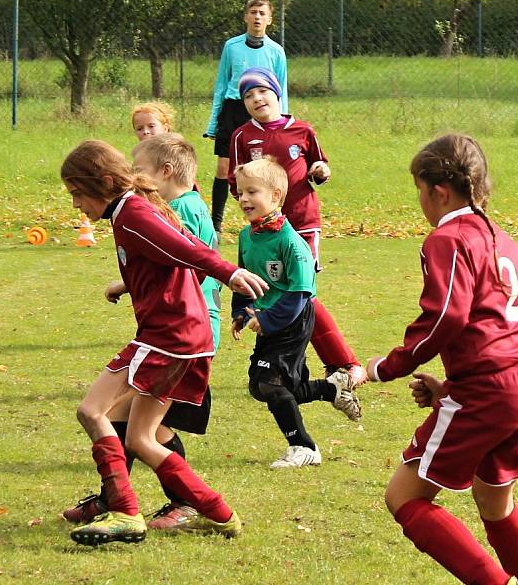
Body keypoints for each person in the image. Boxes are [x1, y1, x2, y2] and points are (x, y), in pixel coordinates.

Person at [61, 139, 268, 545]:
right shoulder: (133, 208)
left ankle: (124, 511)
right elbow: (166, 257)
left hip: (169, 337)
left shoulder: (132, 212)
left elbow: (183, 248)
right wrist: (129, 283)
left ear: (102, 183)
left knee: (92, 410)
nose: (75, 206)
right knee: (140, 437)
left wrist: (228, 272)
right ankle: (220, 513)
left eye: (76, 194)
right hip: (182, 336)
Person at [365, 134, 518, 585]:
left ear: (439, 191)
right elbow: (497, 325)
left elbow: (448, 315)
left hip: (490, 389)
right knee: (495, 503)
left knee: (404, 497)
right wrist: (453, 387)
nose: (422, 204)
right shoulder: (503, 238)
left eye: (420, 192)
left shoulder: (447, 238)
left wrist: (385, 366)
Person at [229, 67, 366, 385]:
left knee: (304, 294)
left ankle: (345, 364)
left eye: (261, 90)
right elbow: (237, 181)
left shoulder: (302, 130)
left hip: (301, 222)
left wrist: (321, 171)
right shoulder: (242, 136)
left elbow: (321, 166)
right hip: (266, 230)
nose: (255, 98)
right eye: (247, 95)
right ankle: (291, 363)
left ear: (276, 93)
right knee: (283, 293)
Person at [232, 157, 361, 469]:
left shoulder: (292, 242)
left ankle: (303, 447)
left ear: (276, 196)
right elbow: (243, 278)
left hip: (293, 318)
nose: (243, 199)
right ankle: (331, 388)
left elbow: (300, 294)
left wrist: (268, 319)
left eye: (252, 192)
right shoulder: (246, 236)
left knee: (270, 384)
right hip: (268, 319)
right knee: (262, 386)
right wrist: (241, 312)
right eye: (239, 193)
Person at [205, 0, 287, 234]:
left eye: (262, 13)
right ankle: (216, 227)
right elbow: (221, 84)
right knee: (224, 168)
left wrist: (280, 121)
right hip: (233, 109)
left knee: (262, 169)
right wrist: (213, 123)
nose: (257, 17)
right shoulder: (232, 46)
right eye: (253, 12)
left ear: (270, 19)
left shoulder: (276, 52)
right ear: (246, 17)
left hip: (263, 114)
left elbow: (281, 89)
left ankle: (268, 221)